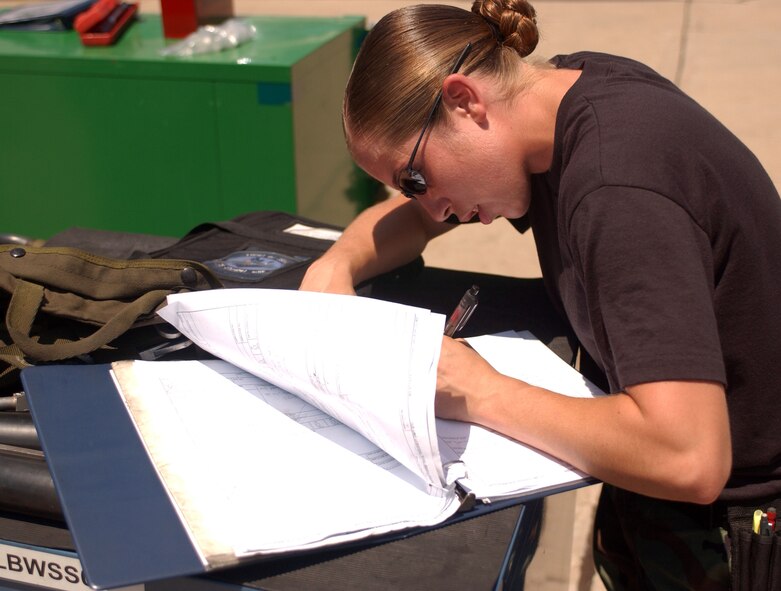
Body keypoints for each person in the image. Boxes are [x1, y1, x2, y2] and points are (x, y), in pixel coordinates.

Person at [300, 1, 781, 588]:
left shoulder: (617, 190)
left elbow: (690, 458)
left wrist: (478, 390)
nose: (427, 206)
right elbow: (416, 220)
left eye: (416, 178)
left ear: (463, 100)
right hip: (661, 494)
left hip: (741, 528)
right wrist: (338, 264)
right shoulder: (564, 100)